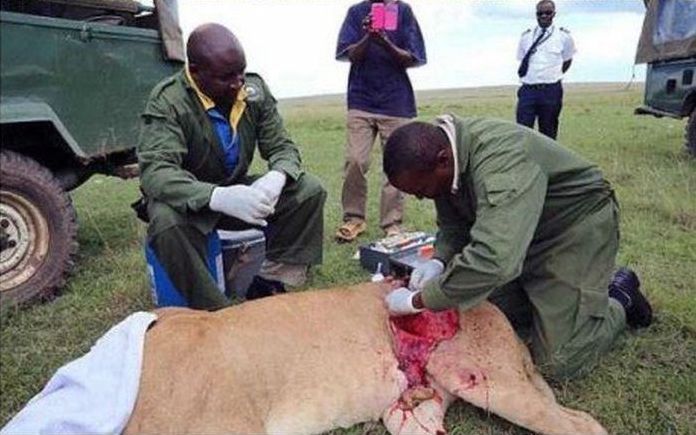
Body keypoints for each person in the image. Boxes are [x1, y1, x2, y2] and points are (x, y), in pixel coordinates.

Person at [381, 115, 653, 380]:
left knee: (561, 359)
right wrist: (438, 260)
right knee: (484, 311)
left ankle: (620, 297)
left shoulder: (503, 162)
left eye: (421, 189)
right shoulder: (447, 160)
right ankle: (562, 297)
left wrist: (417, 301)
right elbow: (455, 225)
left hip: (571, 230)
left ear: (443, 160)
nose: (419, 197)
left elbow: (494, 260)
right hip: (520, 234)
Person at [136, 23, 326, 310]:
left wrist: (277, 176)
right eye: (226, 77)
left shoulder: (252, 90)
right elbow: (156, 173)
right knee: (165, 221)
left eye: (241, 71)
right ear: (196, 71)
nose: (238, 83)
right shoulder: (168, 101)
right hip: (192, 203)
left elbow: (282, 147)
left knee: (308, 190)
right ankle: (214, 308)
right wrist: (218, 197)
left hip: (237, 191)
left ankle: (271, 279)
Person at [334, 0, 426, 242]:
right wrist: (368, 36)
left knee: (396, 165)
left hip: (396, 102)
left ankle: (392, 224)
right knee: (355, 160)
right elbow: (348, 55)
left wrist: (384, 40)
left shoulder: (404, 11)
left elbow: (413, 58)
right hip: (361, 100)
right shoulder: (356, 12)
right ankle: (353, 219)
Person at [516, 0, 576, 139]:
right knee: (522, 131)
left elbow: (567, 60)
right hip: (528, 90)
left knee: (548, 131)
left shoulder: (563, 36)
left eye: (548, 13)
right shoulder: (526, 36)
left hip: (550, 91)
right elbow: (522, 60)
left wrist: (551, 76)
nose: (543, 16)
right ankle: (524, 160)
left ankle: (547, 160)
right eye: (540, 13)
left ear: (554, 14)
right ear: (536, 14)